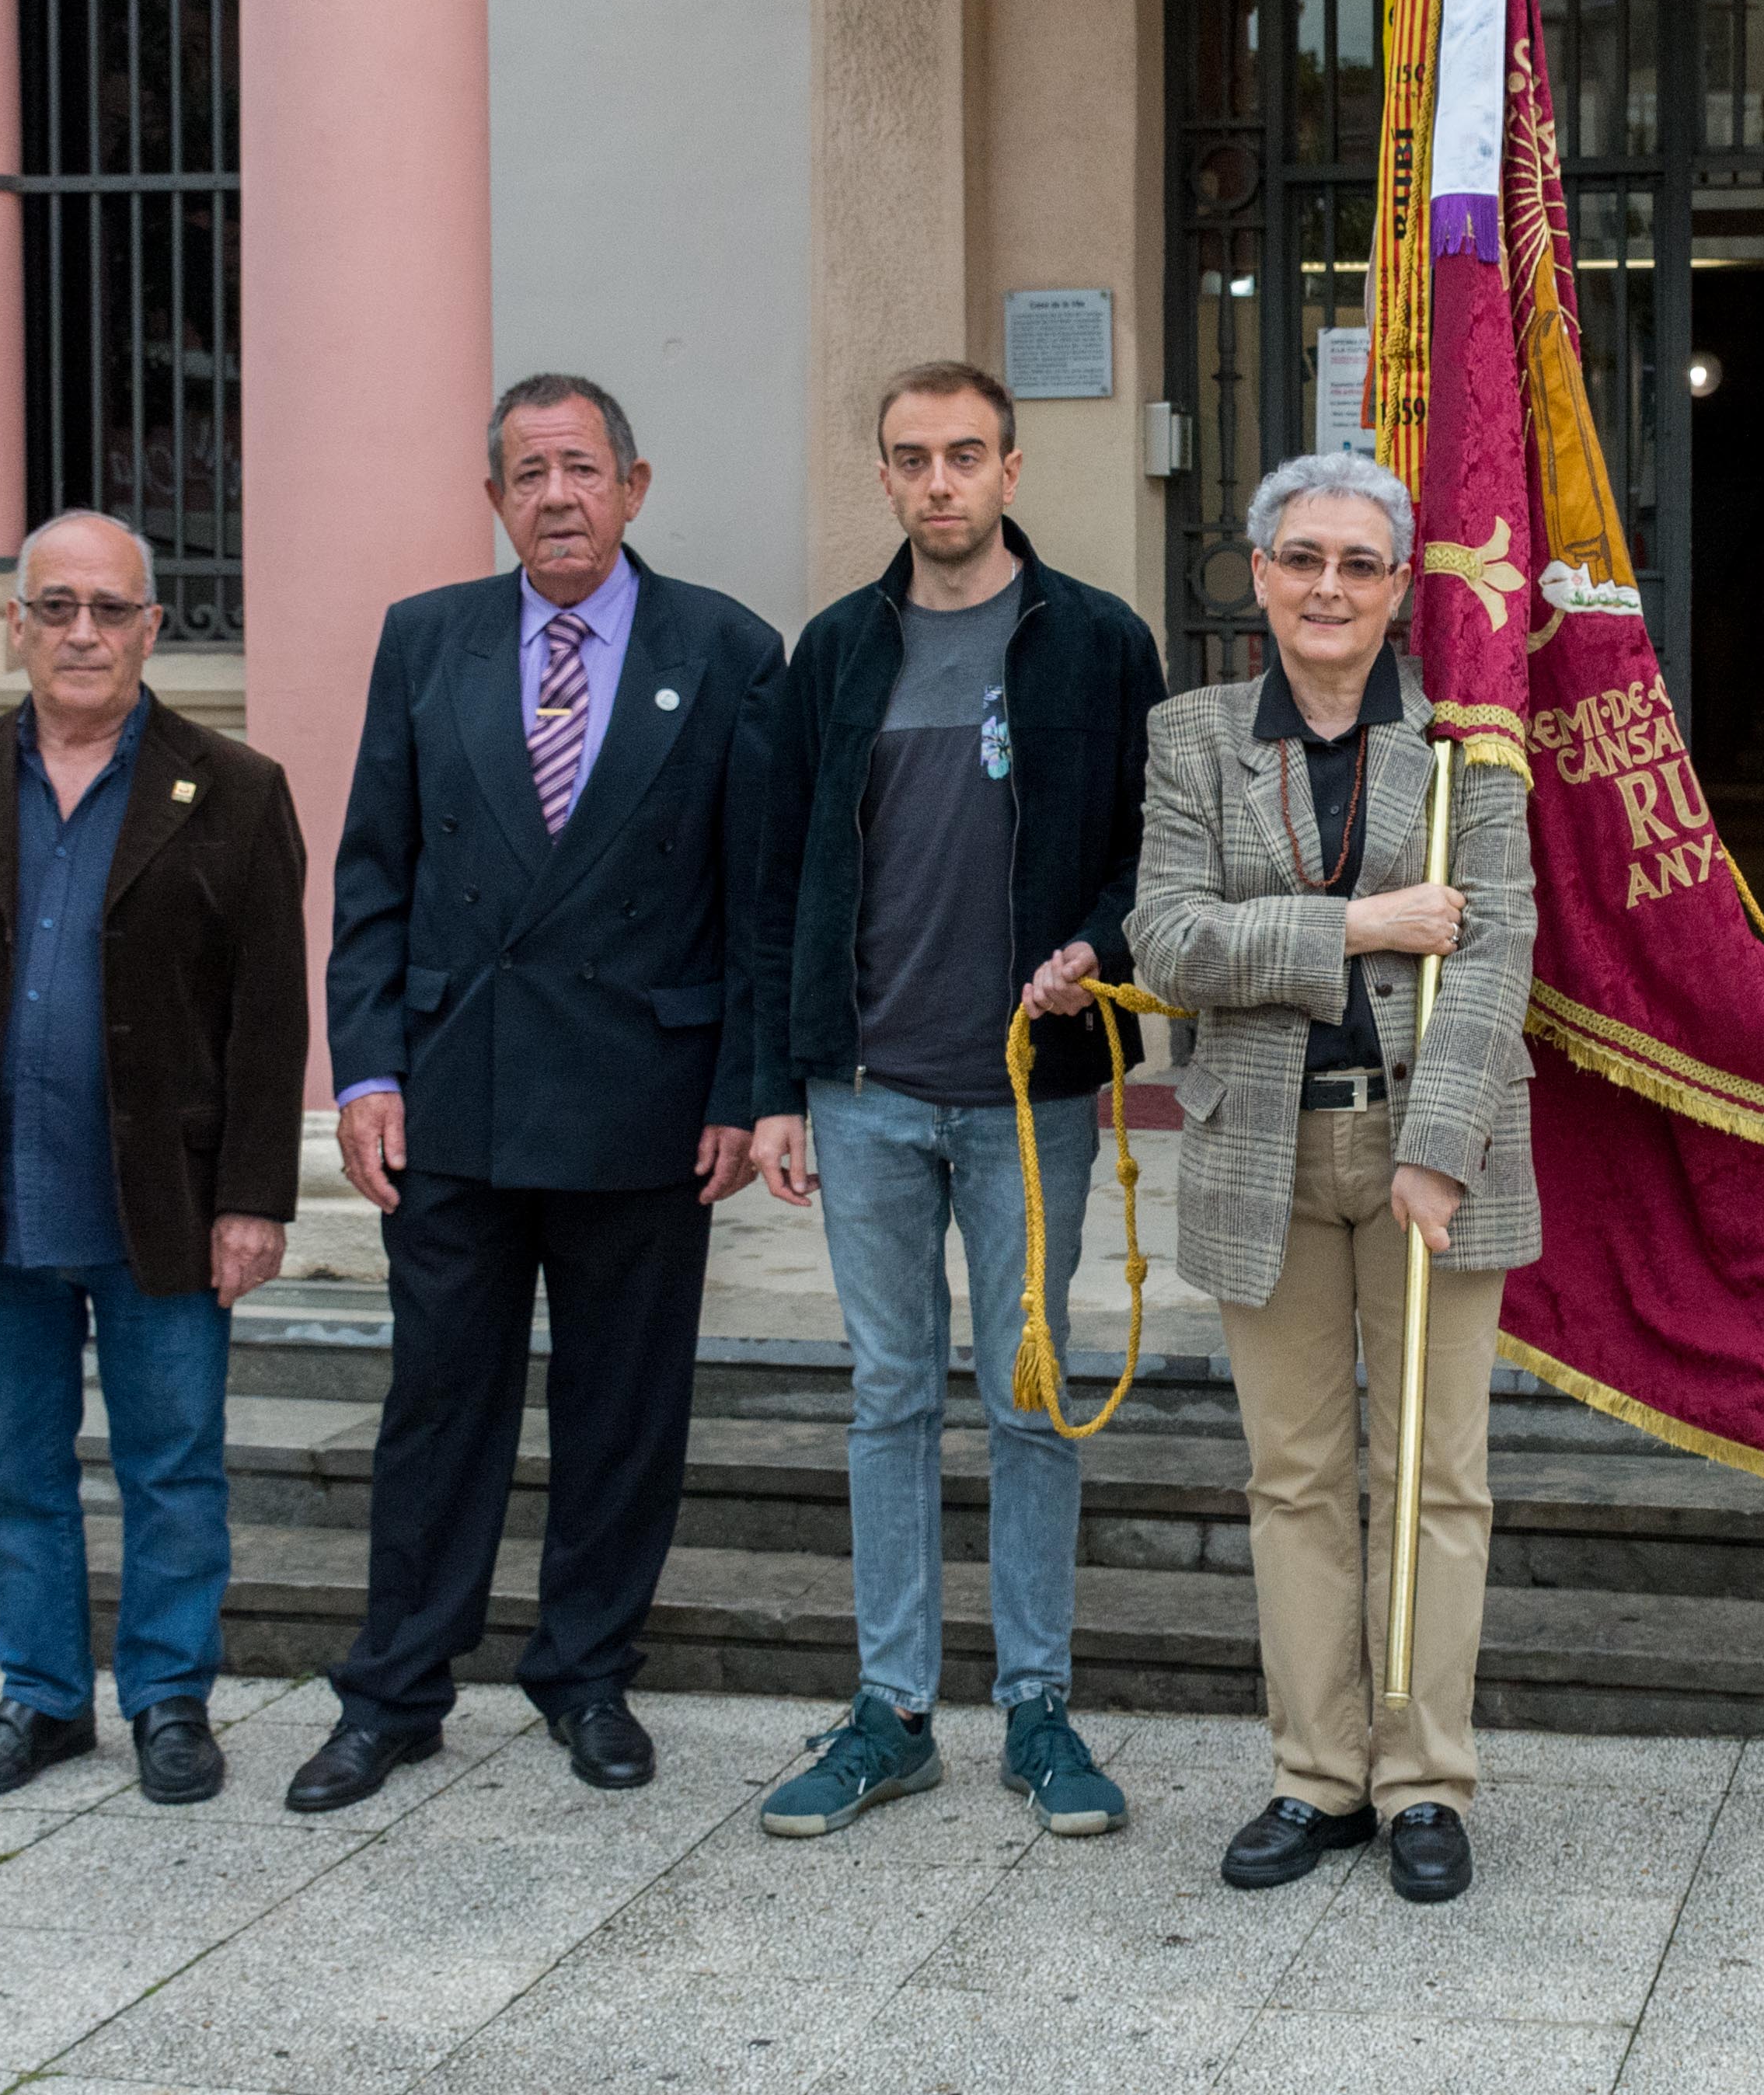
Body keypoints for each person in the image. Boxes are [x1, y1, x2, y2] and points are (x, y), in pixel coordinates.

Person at [291, 374, 785, 1813]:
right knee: (439, 1404)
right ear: (493, 497)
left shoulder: (730, 647)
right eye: (527, 473)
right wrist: (364, 1069)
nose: (555, 495)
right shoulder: (425, 640)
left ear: (635, 486)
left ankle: (586, 1674)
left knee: (625, 1408)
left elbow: (753, 894)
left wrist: (744, 1089)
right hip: (457, 1091)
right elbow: (371, 874)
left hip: (650, 1097)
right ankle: (396, 1689)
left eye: (581, 468)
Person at [742, 361, 1166, 1840]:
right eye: (912, 458)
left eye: (965, 455)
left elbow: (1152, 855)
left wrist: (1096, 950)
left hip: (1028, 1094)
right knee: (886, 1395)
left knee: (1032, 1399)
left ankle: (1039, 1707)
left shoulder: (1101, 644)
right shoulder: (835, 651)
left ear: (1013, 468)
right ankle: (894, 1710)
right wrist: (778, 1086)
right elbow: (780, 875)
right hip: (863, 1092)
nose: (939, 481)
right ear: (885, 478)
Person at [0, 510, 309, 1806]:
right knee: (15, 1471)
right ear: (19, 626)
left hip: (161, 1200)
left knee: (173, 1465)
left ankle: (168, 1700)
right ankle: (41, 1700)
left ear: (153, 628)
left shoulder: (236, 788)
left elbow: (272, 1020)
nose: (83, 633)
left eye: (109, 610)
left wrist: (256, 1199)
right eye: (57, 608)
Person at [1125, 451, 1536, 1906]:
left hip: (1437, 1155)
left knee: (1434, 1479)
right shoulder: (1190, 741)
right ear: (1260, 574)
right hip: (1261, 1148)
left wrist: (1440, 1153)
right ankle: (1317, 1778)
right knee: (1295, 1478)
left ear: (1398, 590)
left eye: (1361, 565)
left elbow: (1494, 964)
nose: (1329, 588)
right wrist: (1359, 925)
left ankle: (1424, 1778)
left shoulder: (1471, 748)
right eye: (1304, 558)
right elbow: (1168, 942)